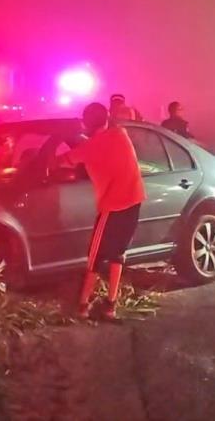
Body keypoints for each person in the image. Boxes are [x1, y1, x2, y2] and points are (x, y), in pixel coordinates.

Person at [57, 102, 145, 322]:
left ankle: (83, 306)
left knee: (94, 258)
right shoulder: (121, 134)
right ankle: (110, 305)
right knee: (117, 255)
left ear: (87, 123)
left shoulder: (88, 148)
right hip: (134, 201)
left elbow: (64, 161)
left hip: (112, 207)